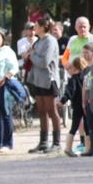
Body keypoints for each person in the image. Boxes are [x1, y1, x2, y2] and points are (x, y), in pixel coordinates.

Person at [24, 17, 62, 153]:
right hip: (38, 80)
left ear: (42, 27)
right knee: (41, 111)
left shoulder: (50, 41)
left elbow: (44, 62)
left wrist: (32, 55)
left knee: (52, 111)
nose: (34, 27)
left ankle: (57, 143)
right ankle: (43, 142)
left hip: (48, 80)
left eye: (36, 25)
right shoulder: (39, 41)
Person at [59, 56, 86, 157]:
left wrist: (62, 101)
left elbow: (69, 92)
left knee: (74, 127)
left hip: (77, 106)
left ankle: (68, 148)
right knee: (87, 127)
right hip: (85, 106)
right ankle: (87, 148)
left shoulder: (73, 80)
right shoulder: (85, 78)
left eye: (69, 68)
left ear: (75, 68)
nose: (68, 70)